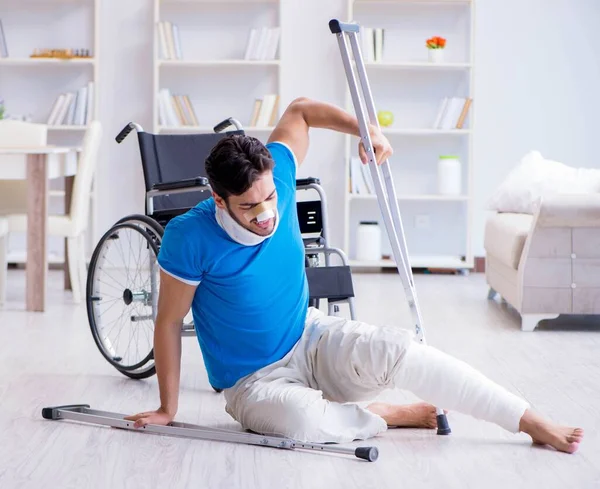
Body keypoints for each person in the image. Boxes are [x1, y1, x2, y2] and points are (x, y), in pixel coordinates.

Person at [126, 97, 583, 453]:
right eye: (249, 206)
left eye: (269, 198)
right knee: (302, 423)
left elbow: (301, 111)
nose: (267, 214)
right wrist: (169, 408)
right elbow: (168, 321)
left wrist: (366, 131)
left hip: (309, 336)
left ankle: (528, 420)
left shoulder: (279, 173)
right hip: (253, 382)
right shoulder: (189, 236)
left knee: (398, 349)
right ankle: (385, 414)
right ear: (220, 199)